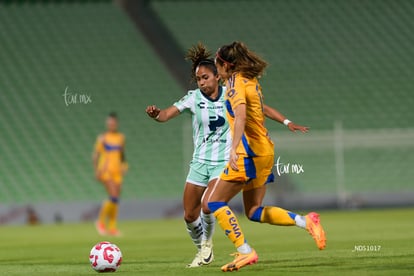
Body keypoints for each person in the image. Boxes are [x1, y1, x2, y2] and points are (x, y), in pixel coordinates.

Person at [146, 43, 308, 268]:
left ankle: (208, 245)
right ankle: (202, 247)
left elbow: (260, 109)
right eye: (198, 79)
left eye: (205, 77)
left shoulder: (230, 92)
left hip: (224, 160)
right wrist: (156, 114)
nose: (202, 82)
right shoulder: (193, 98)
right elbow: (165, 115)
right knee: (189, 215)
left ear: (216, 75)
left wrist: (286, 121)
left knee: (209, 204)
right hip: (200, 162)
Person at [207, 41, 326, 272]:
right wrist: (287, 121)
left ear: (225, 64)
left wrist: (233, 148)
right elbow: (261, 108)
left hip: (247, 153)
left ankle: (245, 251)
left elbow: (241, 116)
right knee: (253, 211)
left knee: (214, 202)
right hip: (265, 151)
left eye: (217, 64)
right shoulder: (250, 81)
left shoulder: (234, 84)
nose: (216, 69)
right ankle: (306, 221)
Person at [92, 112, 128, 236]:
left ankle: (112, 227)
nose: (111, 124)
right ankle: (100, 222)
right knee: (113, 196)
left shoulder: (120, 138)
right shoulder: (102, 138)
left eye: (113, 122)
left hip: (117, 171)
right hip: (105, 170)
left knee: (115, 199)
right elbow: (95, 155)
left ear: (116, 123)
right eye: (109, 122)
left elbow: (122, 154)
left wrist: (124, 165)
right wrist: (96, 169)